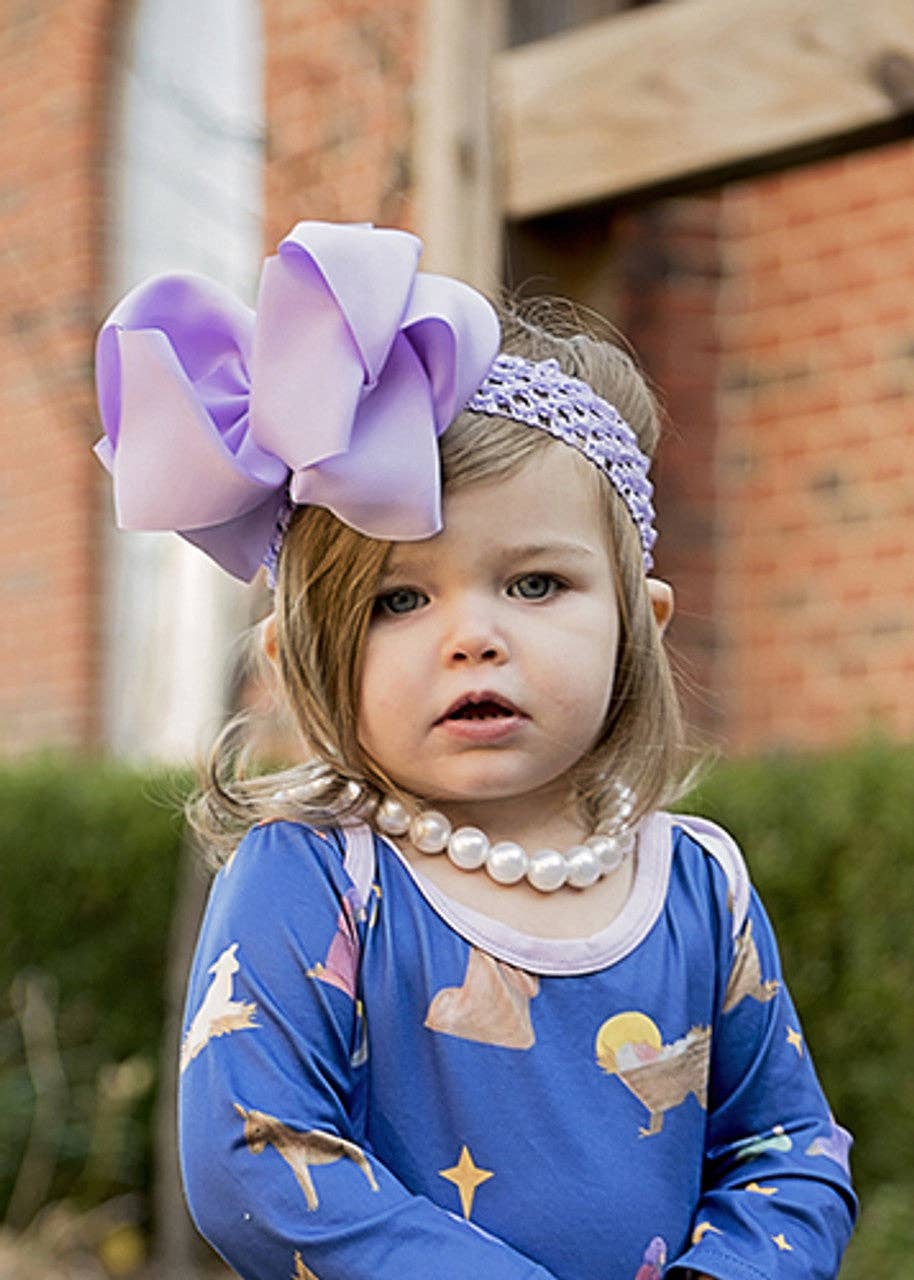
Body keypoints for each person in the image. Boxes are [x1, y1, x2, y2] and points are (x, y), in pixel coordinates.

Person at [94, 221, 857, 1280]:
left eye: (535, 583)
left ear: (642, 619)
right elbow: (256, 1151)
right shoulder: (321, 873)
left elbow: (787, 1151)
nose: (472, 634)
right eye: (397, 599)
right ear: (296, 655)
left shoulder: (697, 883)